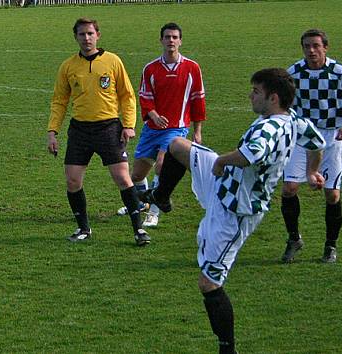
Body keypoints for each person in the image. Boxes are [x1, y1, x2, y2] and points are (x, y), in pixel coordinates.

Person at [139, 68, 326, 353]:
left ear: (273, 98)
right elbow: (317, 143)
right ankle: (161, 197)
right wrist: (312, 172)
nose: (250, 96)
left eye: (256, 92)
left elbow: (248, 155)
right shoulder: (293, 119)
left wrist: (222, 161)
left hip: (236, 208)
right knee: (177, 145)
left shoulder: (269, 128)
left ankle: (228, 348)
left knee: (208, 283)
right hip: (225, 185)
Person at [46, 18, 149, 246]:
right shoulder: (68, 66)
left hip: (109, 128)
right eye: (82, 34)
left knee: (122, 177)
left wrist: (129, 125)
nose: (86, 38)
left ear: (98, 35)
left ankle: (139, 230)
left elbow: (127, 95)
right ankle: (83, 229)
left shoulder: (112, 61)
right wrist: (52, 131)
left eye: (90, 33)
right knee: (72, 181)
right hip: (80, 130)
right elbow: (59, 101)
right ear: (76, 37)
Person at [280, 29, 342, 263]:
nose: (311, 50)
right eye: (307, 46)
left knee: (332, 194)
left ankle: (330, 245)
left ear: (325, 47)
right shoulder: (294, 73)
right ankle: (294, 238)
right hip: (302, 136)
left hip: (331, 136)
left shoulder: (339, 72)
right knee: (289, 188)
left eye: (316, 46)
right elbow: (282, 103)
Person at [116, 22, 206, 228]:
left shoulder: (192, 68)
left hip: (177, 129)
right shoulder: (151, 68)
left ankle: (154, 213)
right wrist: (154, 115)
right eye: (167, 37)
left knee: (161, 165)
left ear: (180, 41)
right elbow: (145, 97)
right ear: (161, 40)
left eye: (174, 37)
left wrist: (197, 131)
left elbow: (198, 100)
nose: (171, 41)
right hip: (152, 129)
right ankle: (142, 204)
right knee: (137, 175)